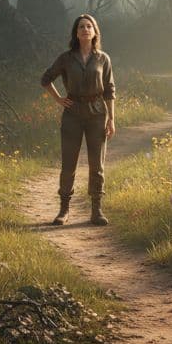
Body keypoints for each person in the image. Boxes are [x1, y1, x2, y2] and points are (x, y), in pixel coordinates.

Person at [40, 14, 116, 225]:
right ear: (76, 32)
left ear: (94, 32)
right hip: (72, 114)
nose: (85, 29)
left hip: (97, 114)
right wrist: (58, 99)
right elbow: (45, 79)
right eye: (81, 26)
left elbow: (110, 90)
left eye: (89, 26)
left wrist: (111, 119)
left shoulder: (103, 58)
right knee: (68, 164)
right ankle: (64, 210)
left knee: (96, 164)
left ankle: (96, 210)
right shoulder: (66, 58)